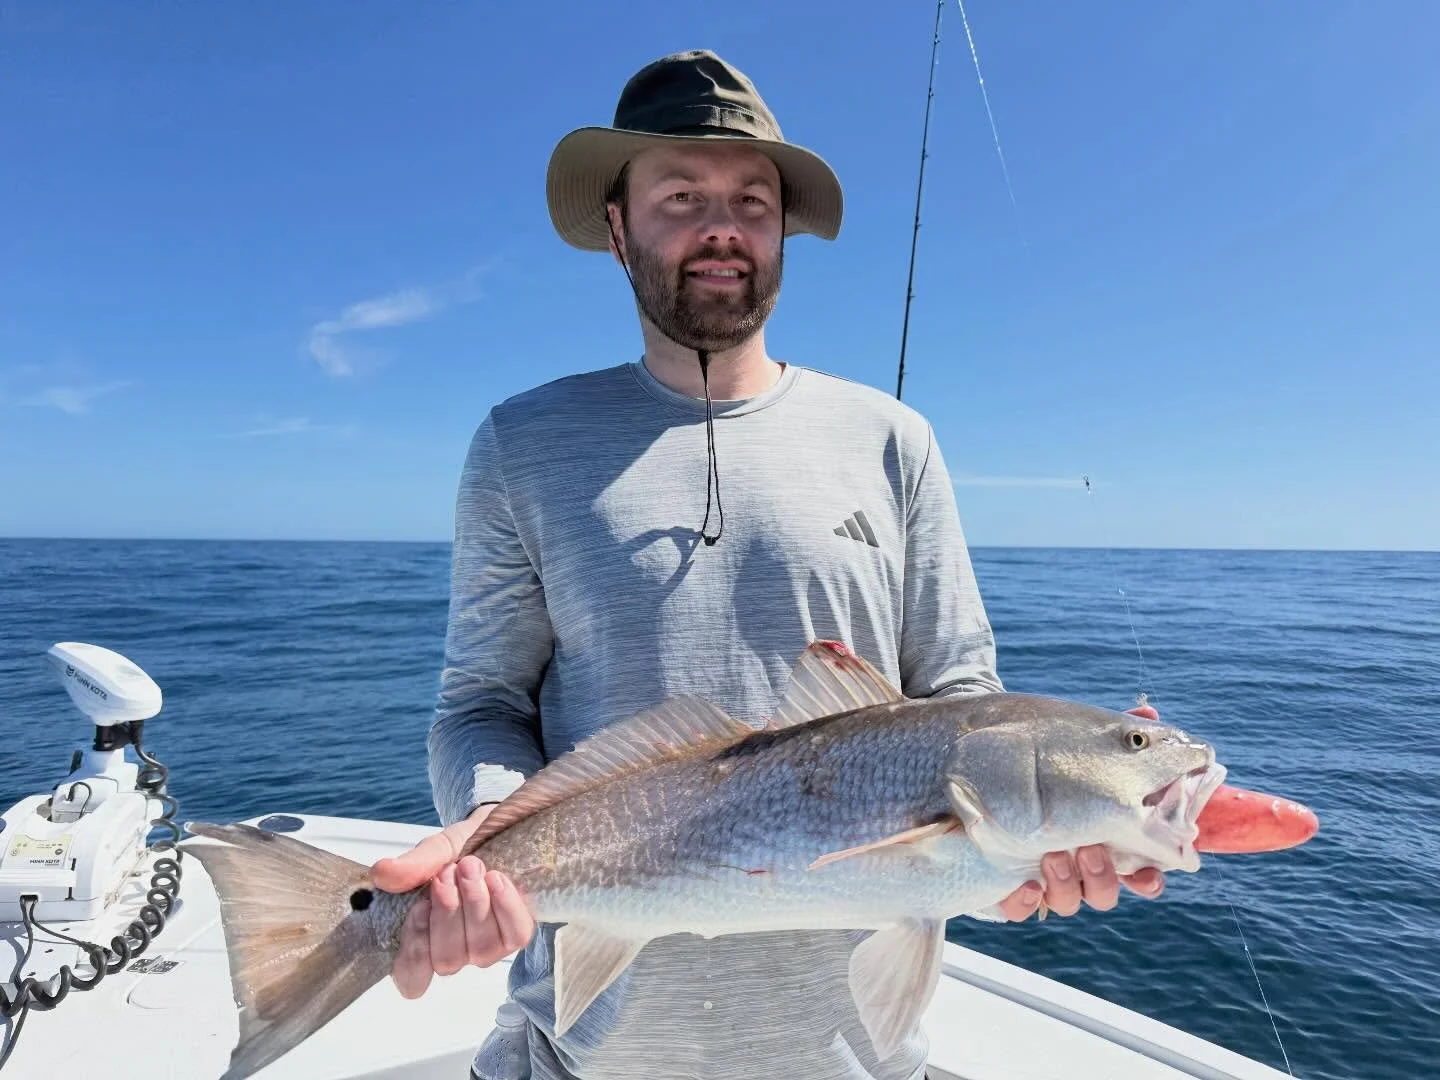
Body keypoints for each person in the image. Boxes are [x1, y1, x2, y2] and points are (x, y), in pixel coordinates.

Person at [371, 49, 1167, 1080]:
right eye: (680, 196)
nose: (721, 226)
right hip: (577, 1053)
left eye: (752, 200)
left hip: (850, 1059)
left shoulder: (894, 440)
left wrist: (1039, 840)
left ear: (783, 228)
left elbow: (962, 702)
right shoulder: (522, 441)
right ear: (617, 227)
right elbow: (481, 701)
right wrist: (490, 827)